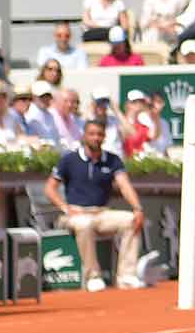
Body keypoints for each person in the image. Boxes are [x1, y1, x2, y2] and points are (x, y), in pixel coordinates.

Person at [43, 118, 148, 292]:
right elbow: (50, 188)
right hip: (75, 214)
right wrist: (65, 208)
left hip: (101, 213)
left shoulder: (113, 160)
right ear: (84, 136)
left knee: (131, 220)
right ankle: (93, 276)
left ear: (104, 137)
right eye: (92, 134)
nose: (96, 138)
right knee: (85, 224)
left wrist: (138, 208)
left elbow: (124, 185)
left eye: (99, 134)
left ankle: (126, 276)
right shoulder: (69, 160)